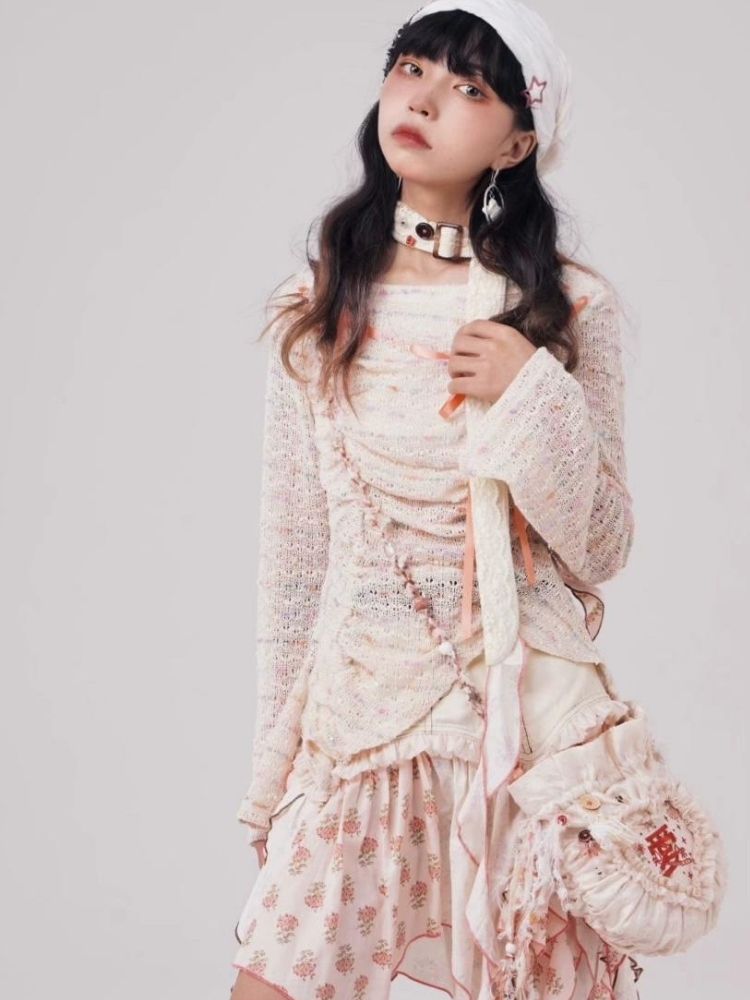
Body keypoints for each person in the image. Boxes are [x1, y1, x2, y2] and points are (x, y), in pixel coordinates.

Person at [229, 2, 641, 997]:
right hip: (356, 728)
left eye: (469, 88)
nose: (422, 99)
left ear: (517, 142)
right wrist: (274, 771)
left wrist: (531, 391)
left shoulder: (569, 306)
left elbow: (602, 543)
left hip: (517, 730)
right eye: (411, 68)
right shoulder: (316, 305)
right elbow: (297, 560)